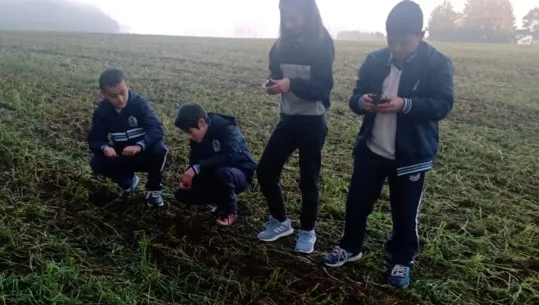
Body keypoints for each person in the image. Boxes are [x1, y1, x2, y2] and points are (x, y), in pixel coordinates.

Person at [323, 0, 454, 288]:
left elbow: (442, 105)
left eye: (405, 42)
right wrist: (363, 102)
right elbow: (354, 98)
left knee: (405, 212)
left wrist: (403, 104)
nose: (397, 48)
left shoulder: (437, 63)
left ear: (421, 34)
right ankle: (351, 246)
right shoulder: (375, 59)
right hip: (372, 149)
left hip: (411, 154)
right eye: (391, 41)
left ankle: (400, 260)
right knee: (356, 203)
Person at [256, 0, 335, 254]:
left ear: (308, 14)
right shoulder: (279, 46)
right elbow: (275, 74)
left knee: (308, 180)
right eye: (285, 18)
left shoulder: (323, 44)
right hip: (288, 119)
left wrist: (291, 84)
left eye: (294, 18)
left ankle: (308, 230)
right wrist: (272, 84)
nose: (289, 23)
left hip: (313, 122)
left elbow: (323, 87)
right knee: (266, 171)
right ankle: (280, 222)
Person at [88, 68, 168, 207]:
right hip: (122, 153)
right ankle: (128, 182)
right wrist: (105, 147)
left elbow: (156, 128)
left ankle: (153, 190)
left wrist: (140, 145)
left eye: (123, 93)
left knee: (160, 150)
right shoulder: (102, 111)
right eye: (113, 96)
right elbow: (95, 139)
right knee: (97, 162)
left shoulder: (140, 104)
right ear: (103, 94)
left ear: (128, 86)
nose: (120, 99)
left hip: (144, 151)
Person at [173, 103, 256, 226]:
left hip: (239, 173)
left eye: (190, 131)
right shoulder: (197, 138)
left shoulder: (226, 128)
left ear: (201, 123)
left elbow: (230, 156)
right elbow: (195, 160)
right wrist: (189, 179)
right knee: (182, 194)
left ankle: (230, 211)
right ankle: (221, 201)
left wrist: (198, 168)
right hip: (213, 172)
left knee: (223, 174)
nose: (189, 137)